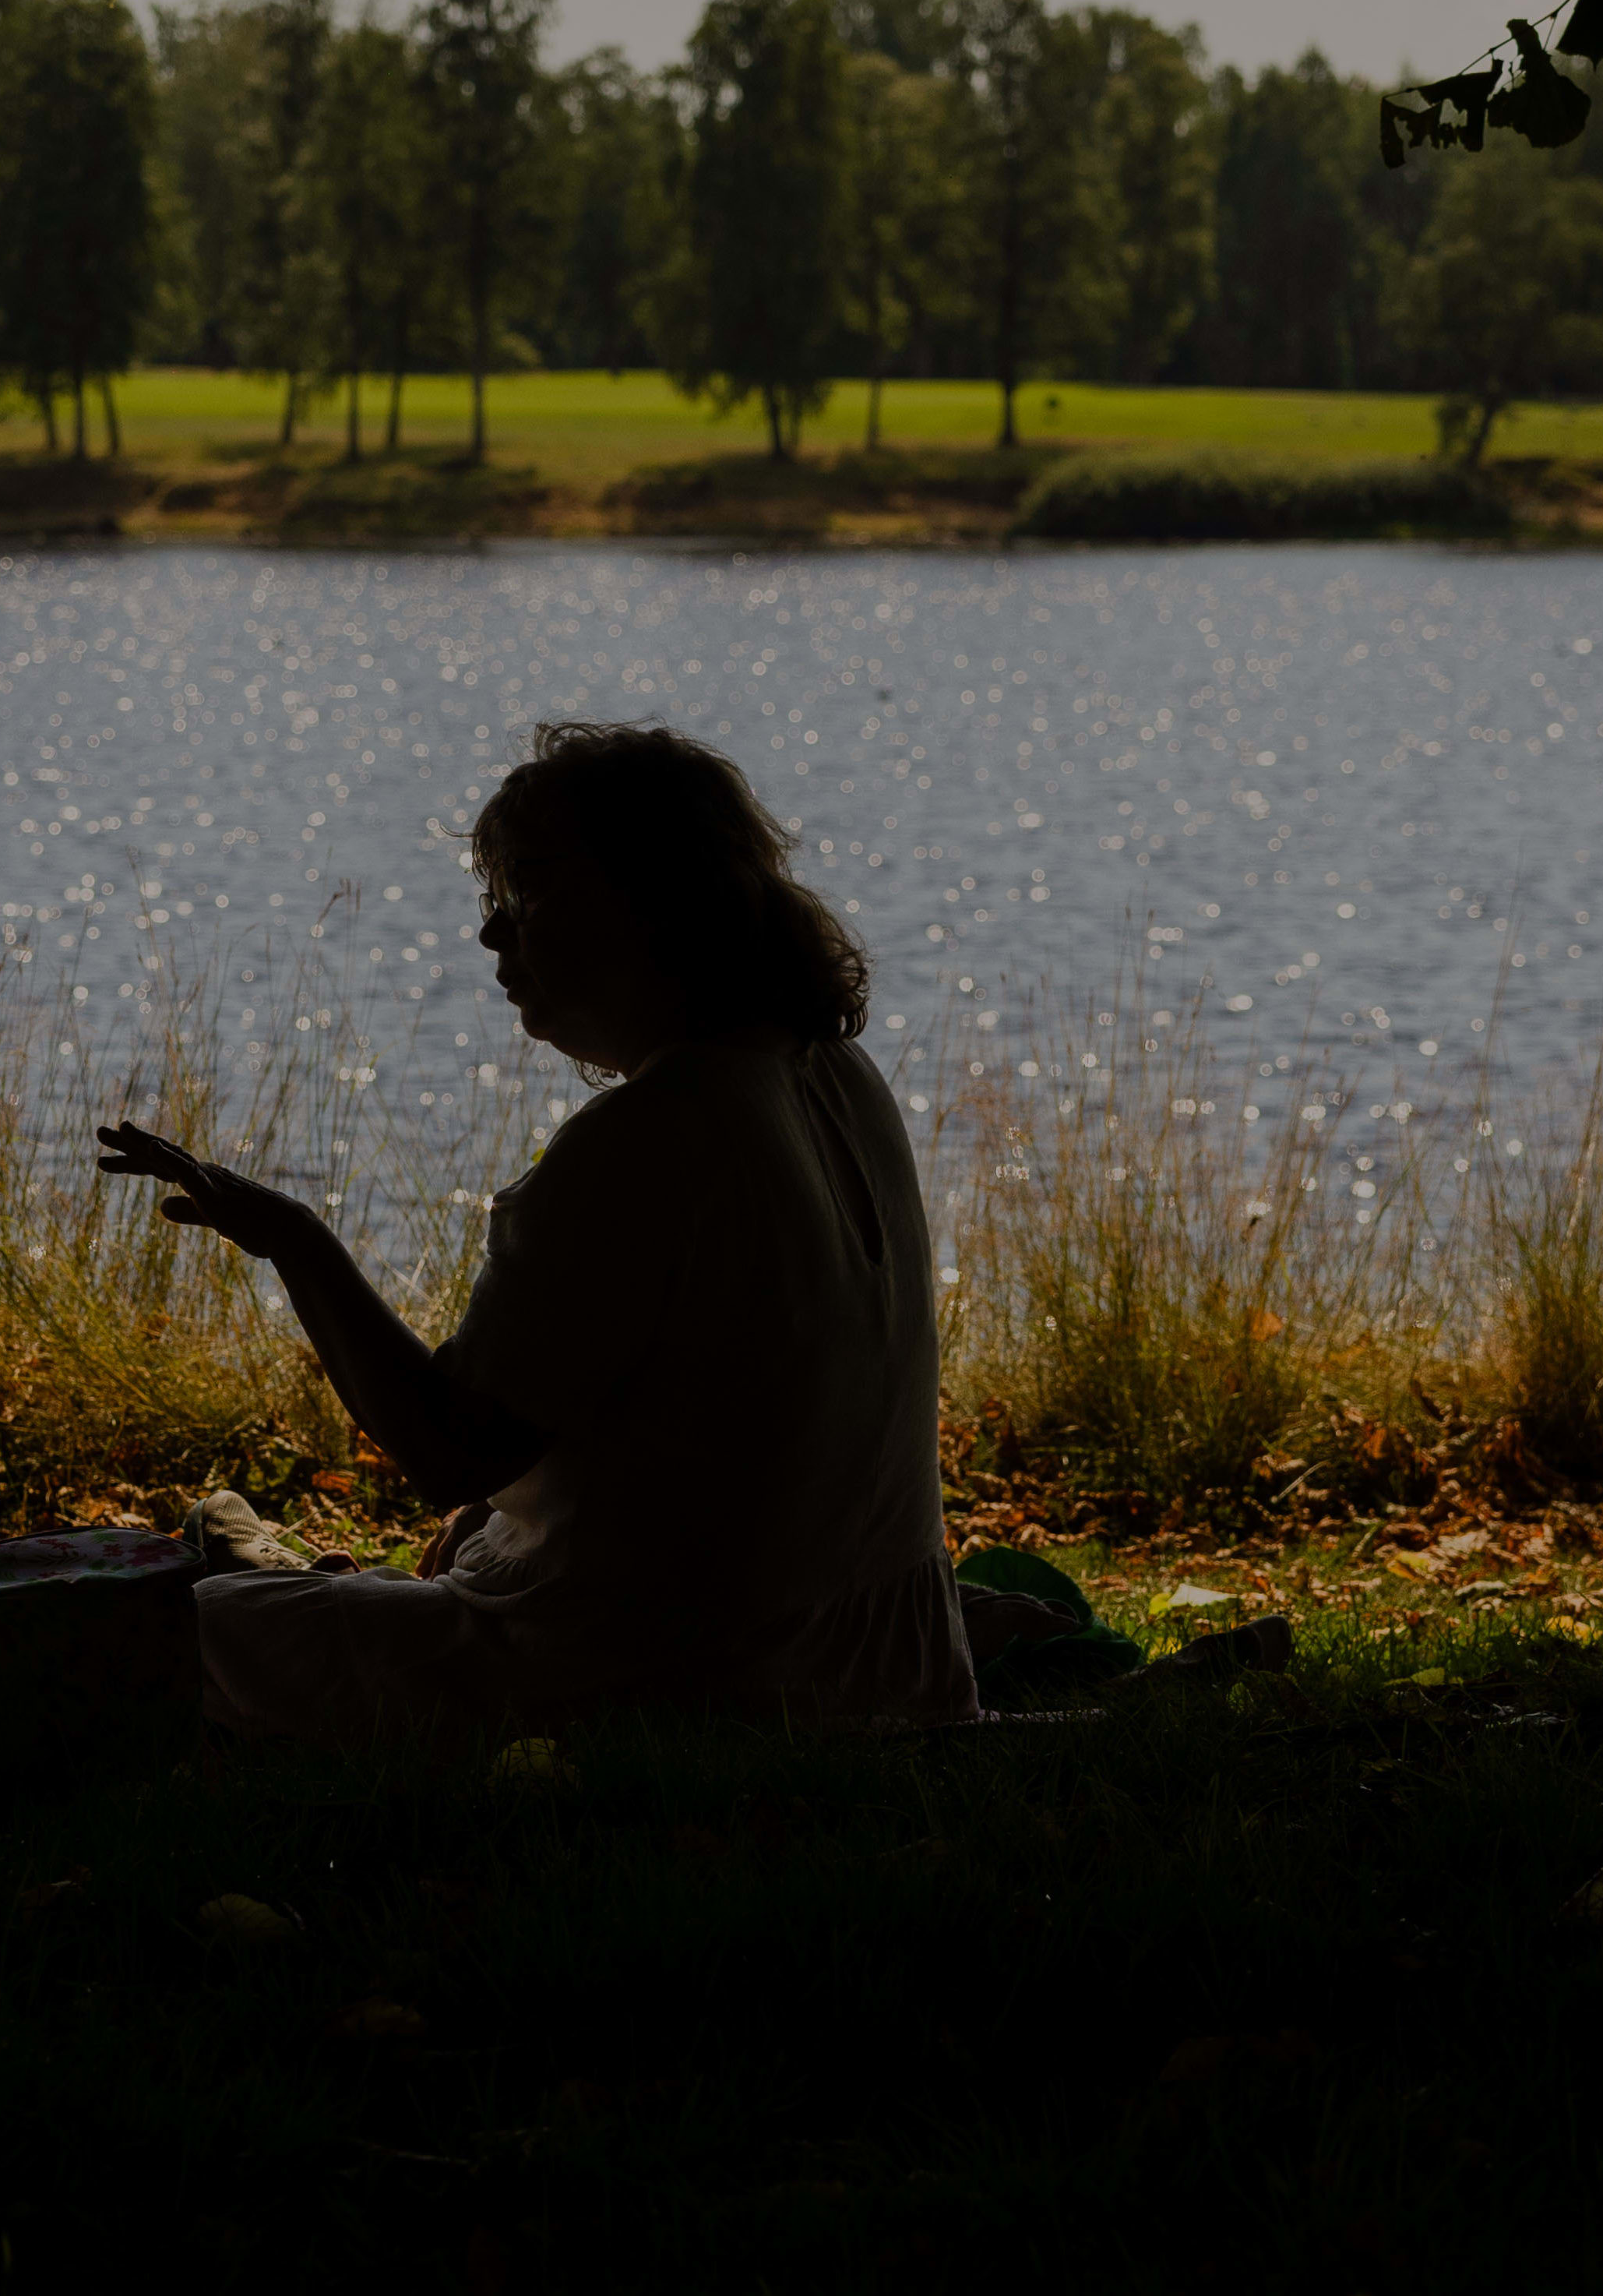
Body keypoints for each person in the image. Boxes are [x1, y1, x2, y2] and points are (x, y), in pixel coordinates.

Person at [97, 721, 976, 1753]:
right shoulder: (834, 1072)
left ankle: (261, 1586)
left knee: (177, 1633)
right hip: (890, 1668)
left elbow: (449, 1450)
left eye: (528, 892)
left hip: (677, 1685)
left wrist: (295, 1241)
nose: (490, 934)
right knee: (409, 1557)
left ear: (652, 901)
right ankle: (285, 1574)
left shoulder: (647, 1137)